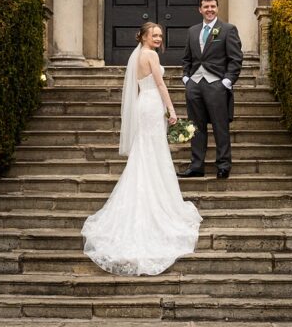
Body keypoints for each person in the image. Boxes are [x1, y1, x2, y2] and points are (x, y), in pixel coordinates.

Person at [81, 22, 202, 275]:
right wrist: (173, 111)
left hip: (142, 104)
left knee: (146, 152)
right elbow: (160, 85)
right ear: (144, 37)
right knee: (153, 152)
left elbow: (140, 86)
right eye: (154, 35)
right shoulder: (151, 55)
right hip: (152, 103)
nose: (158, 38)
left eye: (160, 35)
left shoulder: (136, 55)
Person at [179, 0, 243, 180]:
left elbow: (235, 58)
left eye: (213, 6)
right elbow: (187, 58)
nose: (209, 10)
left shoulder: (227, 29)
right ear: (200, 9)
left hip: (216, 85)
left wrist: (227, 81)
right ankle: (196, 166)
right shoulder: (192, 31)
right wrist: (186, 78)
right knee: (195, 127)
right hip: (194, 85)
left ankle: (223, 165)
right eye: (206, 7)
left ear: (217, 8)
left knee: (220, 126)